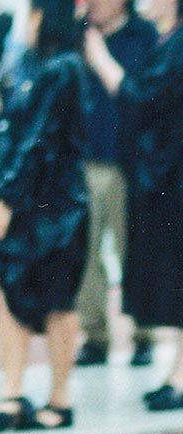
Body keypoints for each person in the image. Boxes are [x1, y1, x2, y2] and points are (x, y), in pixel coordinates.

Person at [0, 0, 88, 433]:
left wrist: (6, 201)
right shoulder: (42, 66)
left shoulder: (60, 68)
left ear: (40, 17)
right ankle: (14, 394)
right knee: (8, 290)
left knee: (55, 300)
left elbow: (40, 142)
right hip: (41, 198)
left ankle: (57, 398)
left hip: (53, 205)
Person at [85, 0, 183, 411]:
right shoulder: (169, 40)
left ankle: (179, 376)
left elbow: (140, 97)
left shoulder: (175, 44)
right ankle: (177, 372)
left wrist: (99, 57)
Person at [74, 0, 158, 369]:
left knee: (134, 250)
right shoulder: (77, 33)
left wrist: (101, 56)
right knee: (86, 254)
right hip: (84, 158)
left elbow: (141, 95)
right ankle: (95, 336)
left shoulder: (145, 36)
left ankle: (145, 333)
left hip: (130, 161)